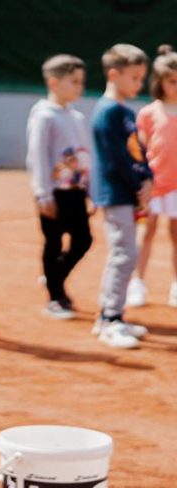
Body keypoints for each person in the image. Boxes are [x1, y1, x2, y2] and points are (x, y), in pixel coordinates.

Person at [90, 44, 153, 348]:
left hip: (127, 193)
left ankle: (114, 314)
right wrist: (138, 185)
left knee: (127, 253)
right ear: (114, 75)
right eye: (135, 77)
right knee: (124, 253)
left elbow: (138, 152)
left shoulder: (126, 112)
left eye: (142, 78)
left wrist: (148, 179)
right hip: (115, 194)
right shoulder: (108, 112)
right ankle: (109, 319)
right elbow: (117, 159)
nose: (139, 84)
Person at [26, 55, 93, 319]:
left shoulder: (76, 116)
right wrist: (42, 192)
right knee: (53, 242)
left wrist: (89, 189)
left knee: (84, 240)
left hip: (75, 192)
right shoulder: (43, 115)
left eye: (81, 81)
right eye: (74, 81)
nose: (80, 87)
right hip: (53, 193)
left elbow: (85, 155)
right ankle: (55, 297)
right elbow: (37, 155)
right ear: (54, 82)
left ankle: (54, 277)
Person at [126, 45, 177, 308]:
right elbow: (139, 150)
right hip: (153, 186)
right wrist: (141, 181)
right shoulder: (148, 113)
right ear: (160, 81)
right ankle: (137, 283)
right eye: (172, 81)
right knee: (146, 233)